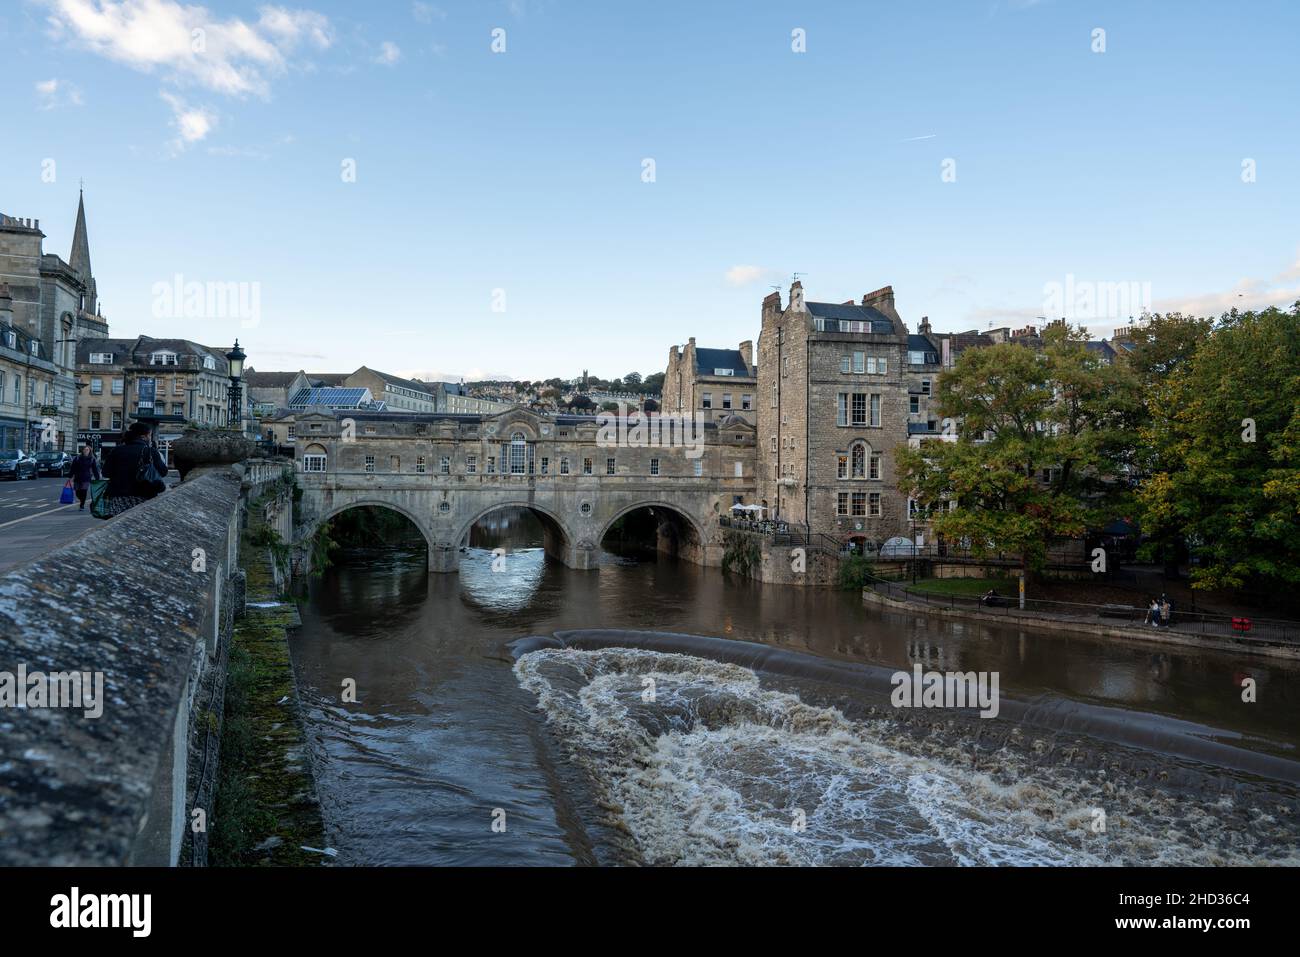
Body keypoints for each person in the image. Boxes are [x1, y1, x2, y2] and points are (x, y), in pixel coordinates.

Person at [103, 422, 168, 502]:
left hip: (118, 497)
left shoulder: (116, 451)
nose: (150, 438)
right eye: (149, 435)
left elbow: (105, 473)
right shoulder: (150, 452)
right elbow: (163, 472)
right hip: (144, 497)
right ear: (143, 437)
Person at [68, 444, 101, 510]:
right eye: (84, 450)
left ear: (89, 451)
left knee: (84, 490)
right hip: (77, 477)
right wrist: (70, 476)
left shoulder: (92, 459)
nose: (85, 451)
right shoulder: (77, 458)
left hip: (86, 477)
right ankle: (81, 500)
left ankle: (82, 504)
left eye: (87, 450)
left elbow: (95, 469)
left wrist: (97, 477)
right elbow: (73, 467)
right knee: (77, 491)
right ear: (82, 451)